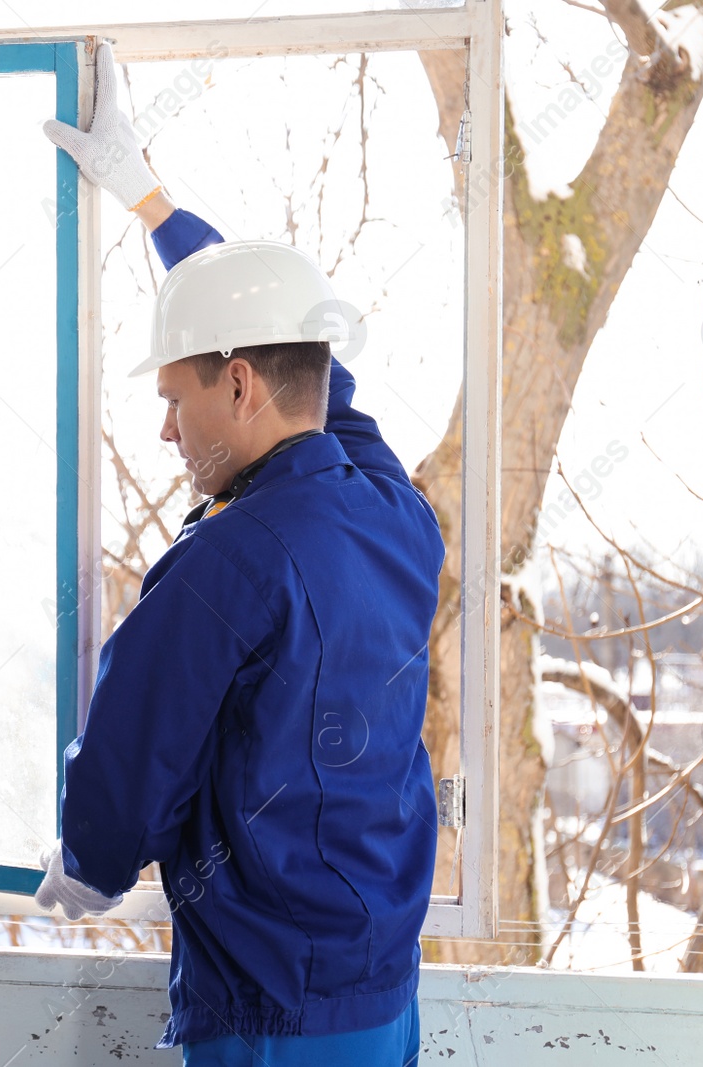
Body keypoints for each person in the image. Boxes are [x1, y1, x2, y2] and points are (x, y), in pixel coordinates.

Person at [33, 47, 445, 1067]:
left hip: (273, 1011)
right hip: (379, 993)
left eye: (175, 397)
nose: (167, 430)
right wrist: (152, 204)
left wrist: (88, 862)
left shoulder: (231, 559)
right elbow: (310, 364)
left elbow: (135, 735)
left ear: (241, 385)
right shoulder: (392, 507)